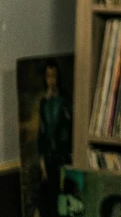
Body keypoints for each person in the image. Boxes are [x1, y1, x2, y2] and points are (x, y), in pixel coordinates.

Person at [38, 59, 73, 217]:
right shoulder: (44, 103)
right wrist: (42, 162)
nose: (51, 80)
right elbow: (42, 133)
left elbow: (70, 126)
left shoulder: (65, 100)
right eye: (48, 76)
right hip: (49, 157)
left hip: (63, 155)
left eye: (54, 76)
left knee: (63, 196)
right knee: (49, 199)